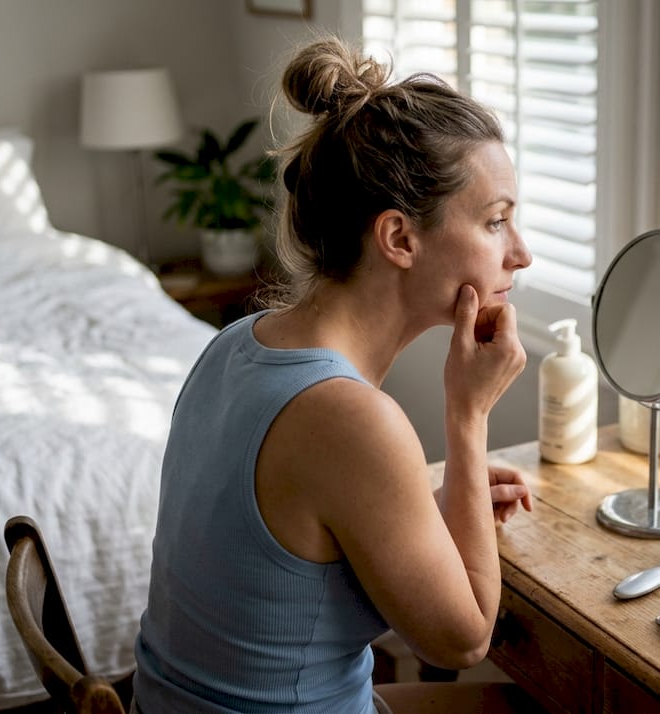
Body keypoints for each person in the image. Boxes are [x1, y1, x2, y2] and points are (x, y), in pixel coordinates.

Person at [131, 36, 538, 713]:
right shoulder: (349, 418)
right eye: (495, 223)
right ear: (400, 239)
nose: (520, 254)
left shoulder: (231, 345)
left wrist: (426, 512)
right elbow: (462, 639)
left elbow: (293, 571)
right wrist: (468, 418)